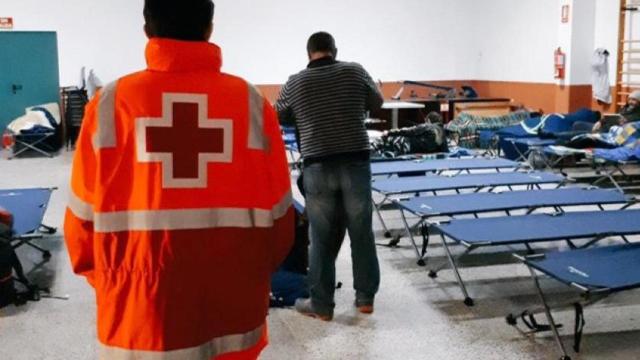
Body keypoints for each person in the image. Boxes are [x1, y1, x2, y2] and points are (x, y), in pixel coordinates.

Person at [64, 1, 294, 359]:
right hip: (231, 312)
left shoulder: (109, 104)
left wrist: (121, 279)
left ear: (147, 31)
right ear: (209, 29)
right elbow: (282, 221)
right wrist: (246, 277)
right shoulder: (251, 103)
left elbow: (80, 228)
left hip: (139, 320)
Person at [276, 32, 383, 321]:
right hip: (355, 162)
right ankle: (365, 299)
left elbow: (279, 114)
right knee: (361, 230)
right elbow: (377, 101)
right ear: (334, 50)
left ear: (308, 53)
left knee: (320, 237)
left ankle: (322, 306)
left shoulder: (295, 81)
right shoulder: (355, 70)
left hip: (317, 165)